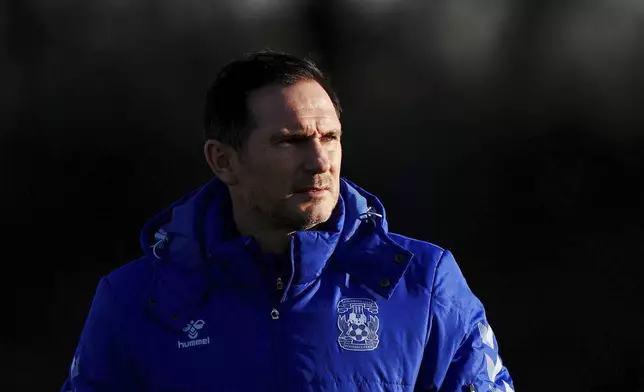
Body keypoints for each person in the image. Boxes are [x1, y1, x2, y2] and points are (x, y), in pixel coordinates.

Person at [61, 51, 514, 392]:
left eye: (330, 137)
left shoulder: (423, 283)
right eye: (289, 141)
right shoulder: (134, 300)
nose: (320, 161)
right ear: (224, 161)